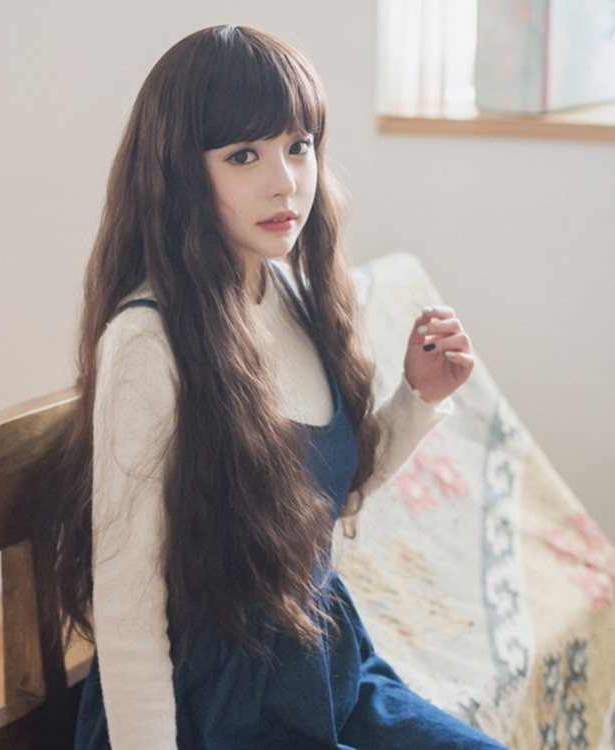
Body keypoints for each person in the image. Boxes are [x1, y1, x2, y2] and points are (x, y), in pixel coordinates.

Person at [51, 25, 509, 750]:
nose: (285, 181)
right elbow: (129, 608)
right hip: (217, 706)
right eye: (243, 155)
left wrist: (417, 399)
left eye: (298, 146)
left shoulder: (289, 291)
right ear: (177, 171)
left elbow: (322, 499)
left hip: (324, 664)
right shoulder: (148, 344)